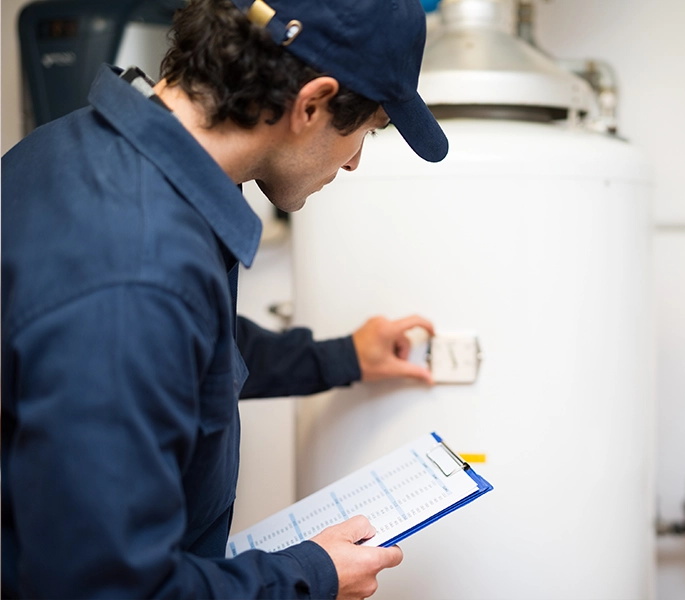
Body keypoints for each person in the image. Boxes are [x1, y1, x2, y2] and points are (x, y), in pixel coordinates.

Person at [1, 0, 449, 597]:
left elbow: (185, 354)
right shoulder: (136, 271)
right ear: (311, 103)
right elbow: (108, 588)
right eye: (364, 130)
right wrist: (312, 575)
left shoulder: (71, 153)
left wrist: (343, 358)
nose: (355, 162)